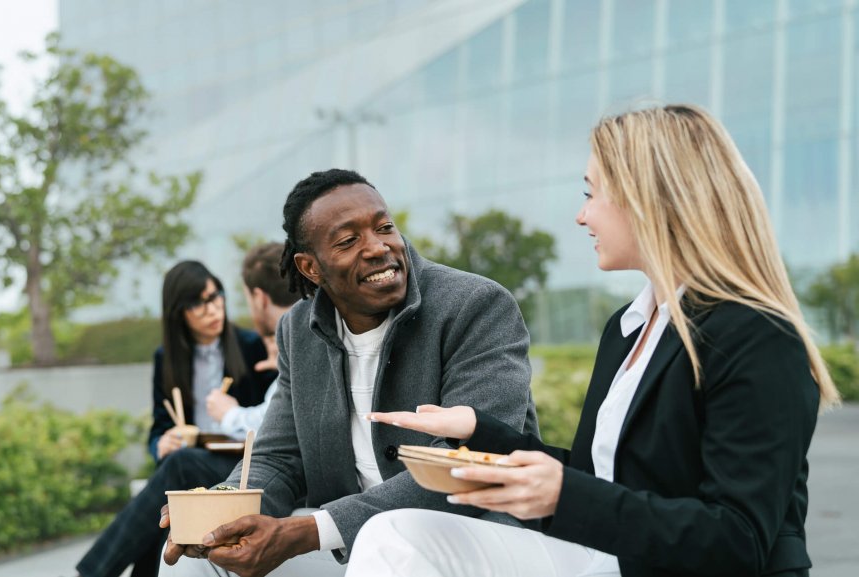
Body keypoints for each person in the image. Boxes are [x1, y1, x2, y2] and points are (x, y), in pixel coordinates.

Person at [351, 104, 841, 577]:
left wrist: (565, 497)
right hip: (600, 558)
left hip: (654, 566)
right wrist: (479, 431)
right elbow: (595, 478)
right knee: (394, 535)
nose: (582, 217)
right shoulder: (629, 328)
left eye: (591, 194)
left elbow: (738, 540)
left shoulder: (756, 334)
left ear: (648, 199)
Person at [159, 168, 539, 577]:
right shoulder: (297, 330)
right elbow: (278, 457)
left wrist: (306, 531)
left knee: (387, 553)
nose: (378, 248)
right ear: (309, 267)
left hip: (466, 536)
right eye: (348, 240)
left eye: (384, 227)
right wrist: (219, 512)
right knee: (197, 564)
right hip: (348, 543)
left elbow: (465, 463)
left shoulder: (475, 306)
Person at [76, 261, 276, 577]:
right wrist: (161, 442)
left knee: (179, 469)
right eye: (199, 304)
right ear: (179, 313)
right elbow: (159, 426)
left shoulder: (252, 347)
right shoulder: (166, 358)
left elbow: (273, 419)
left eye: (216, 297)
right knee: (172, 486)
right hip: (187, 465)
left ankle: (92, 573)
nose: (213, 309)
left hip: (240, 464)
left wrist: (232, 411)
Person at [206, 242, 301, 437]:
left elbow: (272, 426)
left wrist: (228, 414)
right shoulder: (311, 329)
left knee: (181, 462)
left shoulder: (300, 340)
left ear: (259, 298)